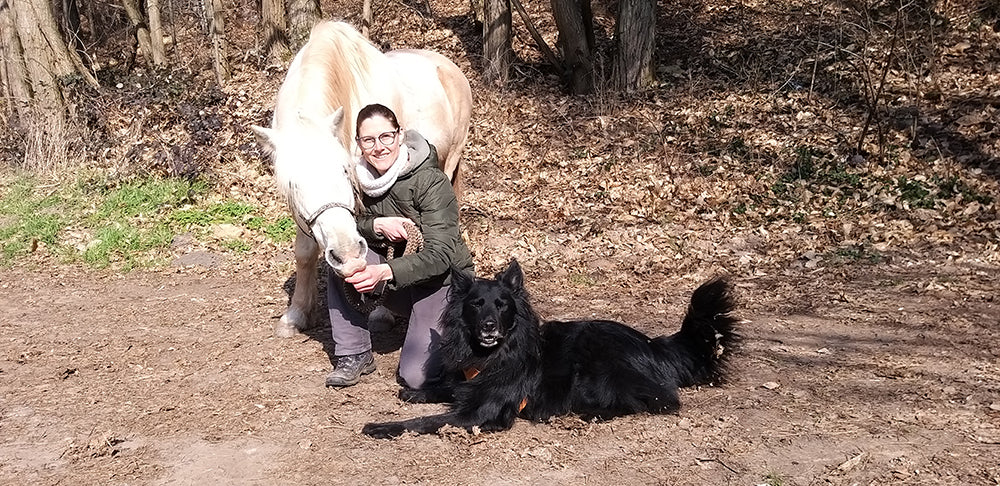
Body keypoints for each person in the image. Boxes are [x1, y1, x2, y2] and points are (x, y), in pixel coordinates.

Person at [324, 103, 474, 390]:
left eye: (386, 137)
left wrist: (384, 272)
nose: (378, 147)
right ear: (359, 144)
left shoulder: (430, 181)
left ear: (400, 135)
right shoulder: (357, 179)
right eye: (368, 140)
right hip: (400, 280)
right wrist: (376, 225)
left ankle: (458, 332)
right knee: (342, 257)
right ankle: (354, 353)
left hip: (441, 283)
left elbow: (441, 254)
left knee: (417, 378)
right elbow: (352, 222)